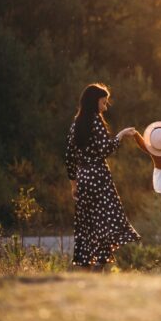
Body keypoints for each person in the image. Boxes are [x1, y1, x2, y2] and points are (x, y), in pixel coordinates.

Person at [65, 83, 141, 271]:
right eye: (104, 102)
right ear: (95, 102)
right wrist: (121, 135)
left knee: (87, 225)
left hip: (83, 178)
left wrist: (73, 184)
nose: (106, 107)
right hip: (98, 177)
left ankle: (86, 268)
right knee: (108, 221)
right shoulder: (95, 121)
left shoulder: (76, 124)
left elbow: (69, 156)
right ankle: (99, 266)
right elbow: (105, 149)